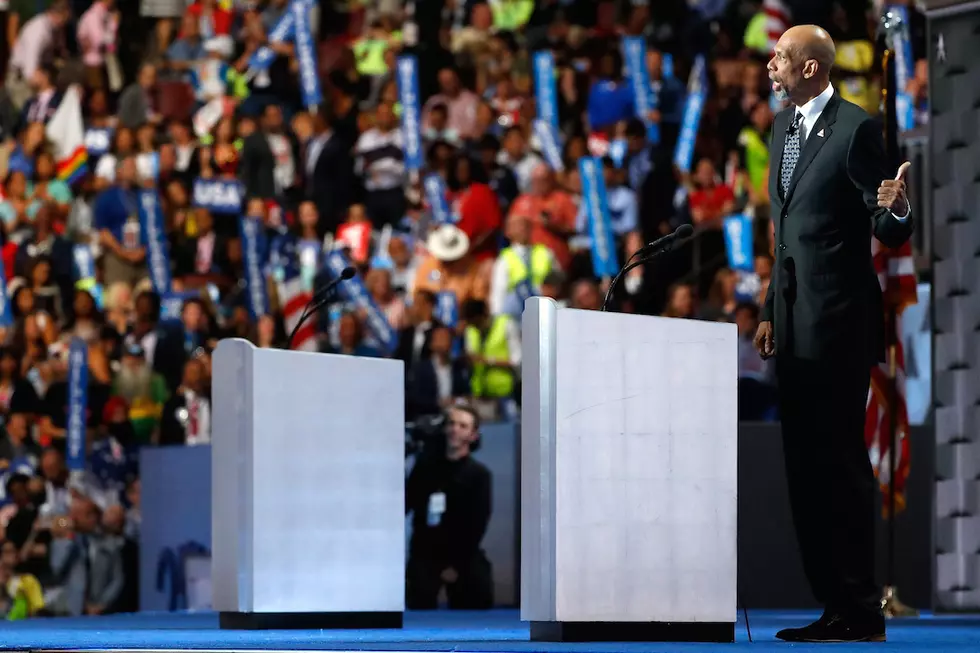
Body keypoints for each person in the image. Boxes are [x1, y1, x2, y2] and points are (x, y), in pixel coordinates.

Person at [754, 25, 913, 643]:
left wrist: (895, 206)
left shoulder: (856, 129)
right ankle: (831, 604)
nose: (772, 65)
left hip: (839, 327)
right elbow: (784, 230)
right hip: (793, 327)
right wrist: (769, 307)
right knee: (805, 470)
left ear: (813, 68)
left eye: (782, 57)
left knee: (840, 466)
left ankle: (860, 609)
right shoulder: (781, 128)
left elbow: (888, 226)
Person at [405, 403, 492, 610]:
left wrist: (455, 563)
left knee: (476, 586)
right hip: (425, 550)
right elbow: (408, 504)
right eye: (451, 424)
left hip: (462, 552)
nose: (455, 430)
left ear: (473, 435)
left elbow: (478, 524)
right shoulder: (425, 467)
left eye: (463, 426)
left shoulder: (479, 475)